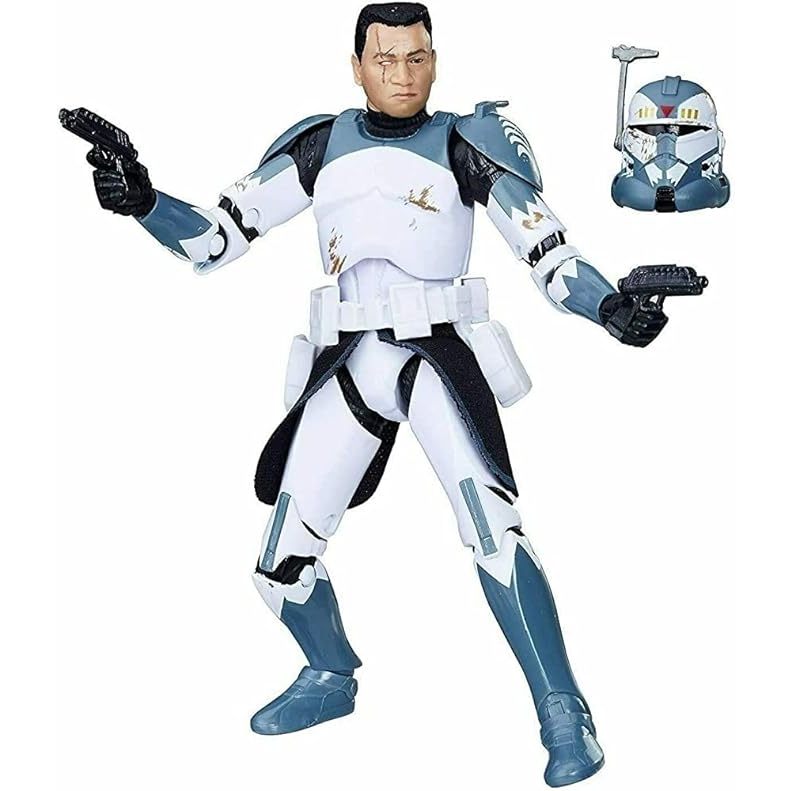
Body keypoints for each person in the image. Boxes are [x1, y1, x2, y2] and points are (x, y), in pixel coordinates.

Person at [73, 4, 676, 786]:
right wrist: (145, 201)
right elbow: (217, 237)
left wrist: (608, 306)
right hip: (349, 359)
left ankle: (564, 712)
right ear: (356, 64)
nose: (402, 74)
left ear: (435, 61)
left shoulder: (466, 142)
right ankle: (329, 673)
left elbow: (546, 249)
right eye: (385, 59)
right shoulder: (318, 144)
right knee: (279, 563)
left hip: (434, 356)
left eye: (416, 57)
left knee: (494, 532)